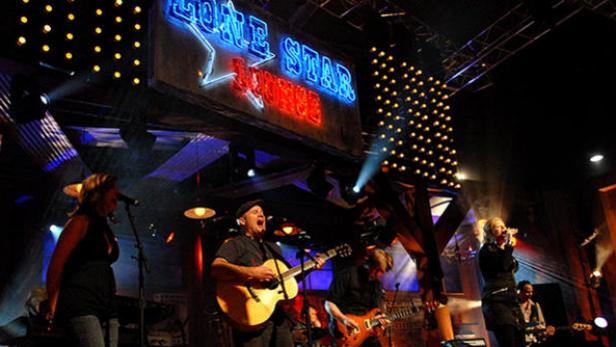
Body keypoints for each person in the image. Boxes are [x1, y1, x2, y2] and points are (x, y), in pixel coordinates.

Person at [212, 199, 323, 347]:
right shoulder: (235, 244)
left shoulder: (273, 249)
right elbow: (217, 267)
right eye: (255, 212)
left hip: (277, 318)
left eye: (262, 213)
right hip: (251, 314)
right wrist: (252, 272)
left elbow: (287, 282)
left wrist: (310, 268)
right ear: (242, 221)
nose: (261, 216)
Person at [46, 173, 121, 347]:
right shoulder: (79, 222)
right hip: (81, 302)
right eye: (113, 193)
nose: (117, 197)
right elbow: (56, 266)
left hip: (107, 305)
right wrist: (52, 306)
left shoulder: (104, 228)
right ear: (99, 194)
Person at [324, 248, 393, 347]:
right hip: (345, 330)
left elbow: (375, 311)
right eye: (377, 270)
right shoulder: (348, 274)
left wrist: (381, 321)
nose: (378, 274)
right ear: (369, 264)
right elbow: (328, 303)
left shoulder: (377, 285)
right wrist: (344, 319)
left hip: (366, 333)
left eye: (382, 272)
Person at [478, 217, 525, 347]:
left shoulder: (503, 250)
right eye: (497, 226)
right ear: (490, 231)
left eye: (503, 226)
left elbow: (513, 267)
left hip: (512, 300)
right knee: (508, 341)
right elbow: (503, 265)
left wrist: (506, 248)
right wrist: (508, 246)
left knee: (521, 340)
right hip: (497, 300)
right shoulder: (487, 250)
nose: (503, 229)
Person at [517, 281, 555, 346]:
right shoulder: (514, 306)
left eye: (531, 292)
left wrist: (544, 331)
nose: (530, 294)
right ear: (519, 292)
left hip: (532, 342)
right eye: (527, 292)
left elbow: (541, 323)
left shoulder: (535, 306)